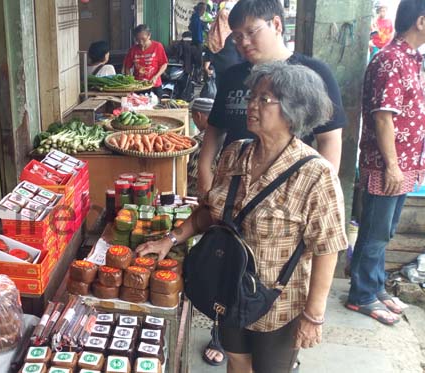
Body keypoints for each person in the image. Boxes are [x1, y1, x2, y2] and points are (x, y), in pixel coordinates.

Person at [138, 61, 347, 373]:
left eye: (264, 99)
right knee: (236, 361)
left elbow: (328, 246)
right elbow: (211, 213)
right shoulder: (235, 153)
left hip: (277, 303)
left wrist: (313, 315)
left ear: (293, 110)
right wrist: (170, 239)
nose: (251, 105)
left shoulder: (316, 174)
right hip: (229, 287)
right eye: (252, 97)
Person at [196, 0, 346, 198]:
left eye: (251, 32)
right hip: (234, 188)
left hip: (289, 191)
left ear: (276, 24)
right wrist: (205, 175)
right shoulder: (232, 76)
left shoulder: (313, 74)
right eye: (238, 36)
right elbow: (215, 130)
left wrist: (319, 192)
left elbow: (329, 139)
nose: (244, 43)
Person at [347, 0, 425, 326]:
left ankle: (375, 285)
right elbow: (383, 120)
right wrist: (392, 165)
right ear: (421, 21)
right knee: (375, 231)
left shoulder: (410, 61)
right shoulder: (392, 61)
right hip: (388, 164)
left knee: (385, 231)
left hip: (403, 163)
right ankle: (361, 294)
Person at [123, 24, 169, 99]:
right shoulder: (133, 50)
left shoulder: (157, 46)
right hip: (138, 87)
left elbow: (164, 64)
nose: (140, 42)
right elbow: (127, 67)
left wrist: (155, 77)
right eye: (137, 40)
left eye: (143, 39)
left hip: (155, 85)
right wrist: (130, 80)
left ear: (149, 36)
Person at [204, 1, 244, 77]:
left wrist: (206, 67)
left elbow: (210, 52)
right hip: (236, 69)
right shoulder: (237, 33)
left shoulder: (214, 34)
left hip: (219, 71)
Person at [187, 98, 215, 197]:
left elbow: (192, 175)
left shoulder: (201, 141)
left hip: (199, 194)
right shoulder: (223, 134)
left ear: (198, 116)